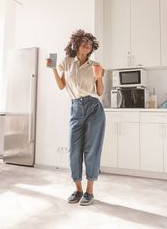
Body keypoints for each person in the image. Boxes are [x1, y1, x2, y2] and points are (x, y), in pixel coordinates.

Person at [46, 29, 106, 206]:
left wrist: (99, 77)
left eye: (89, 42)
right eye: (84, 41)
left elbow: (100, 91)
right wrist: (52, 69)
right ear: (76, 44)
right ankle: (78, 189)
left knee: (91, 150)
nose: (87, 44)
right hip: (75, 108)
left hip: (94, 108)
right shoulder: (67, 62)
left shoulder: (95, 64)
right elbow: (61, 85)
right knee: (73, 150)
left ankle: (89, 191)